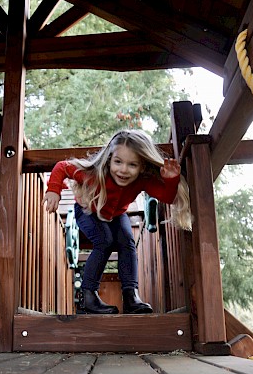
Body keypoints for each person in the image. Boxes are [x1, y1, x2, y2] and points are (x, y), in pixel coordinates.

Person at [43, 130, 192, 314]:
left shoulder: (142, 181)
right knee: (104, 240)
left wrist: (171, 180)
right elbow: (62, 166)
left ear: (142, 166)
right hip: (88, 210)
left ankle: (131, 296)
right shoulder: (93, 174)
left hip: (116, 215)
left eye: (132, 165)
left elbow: (167, 197)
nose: (123, 170)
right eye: (118, 162)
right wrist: (53, 190)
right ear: (109, 159)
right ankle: (88, 295)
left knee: (127, 243)